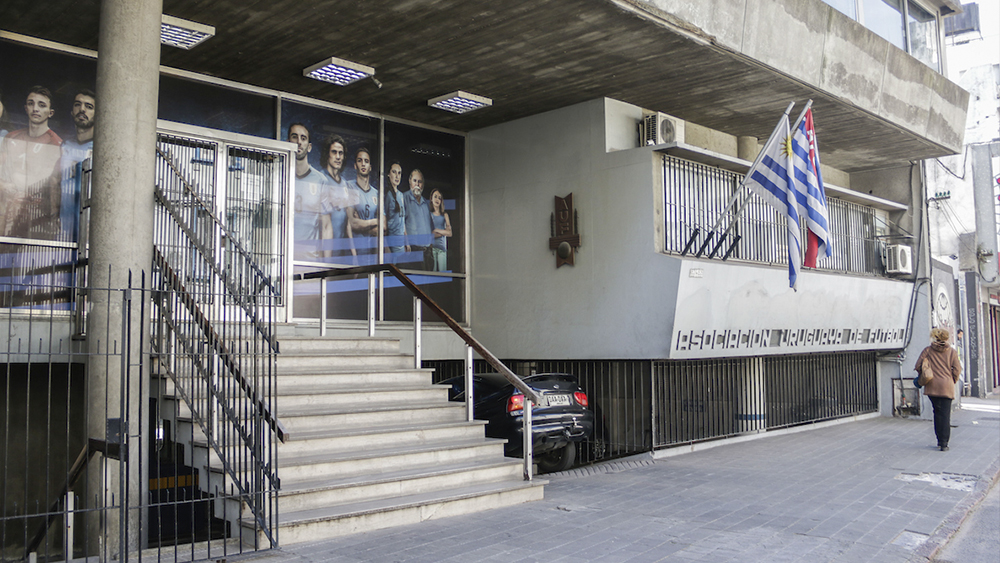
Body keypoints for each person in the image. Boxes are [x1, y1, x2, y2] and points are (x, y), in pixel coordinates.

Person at [0, 86, 63, 238]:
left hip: (36, 214)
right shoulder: (11, 138)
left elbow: (50, 184)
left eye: (41, 105)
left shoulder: (56, 143)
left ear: (50, 112)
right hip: (8, 210)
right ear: (25, 108)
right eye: (31, 103)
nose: (35, 109)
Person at [288, 123, 334, 261]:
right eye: (294, 137)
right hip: (281, 260)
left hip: (309, 262)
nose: (298, 142)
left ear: (309, 147)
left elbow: (326, 226)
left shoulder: (320, 180)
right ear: (287, 142)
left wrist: (327, 265)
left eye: (303, 138)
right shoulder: (278, 175)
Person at [914, 328, 961, 451]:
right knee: (945, 415)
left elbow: (917, 365)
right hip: (947, 386)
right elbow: (957, 369)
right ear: (946, 338)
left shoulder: (928, 350)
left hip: (932, 385)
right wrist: (952, 380)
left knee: (937, 412)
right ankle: (944, 443)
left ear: (935, 338)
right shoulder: (952, 352)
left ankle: (939, 440)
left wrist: (924, 373)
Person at [59, 89, 96, 240]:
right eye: (78, 105)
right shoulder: (65, 146)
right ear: (72, 112)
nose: (82, 109)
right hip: (63, 225)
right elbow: (55, 182)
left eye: (89, 106)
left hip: (90, 226)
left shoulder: (103, 149)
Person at [319, 134, 355, 259]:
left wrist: (354, 255)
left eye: (341, 153)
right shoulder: (320, 179)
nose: (338, 157)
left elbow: (348, 224)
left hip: (341, 253)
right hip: (322, 253)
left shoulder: (345, 185)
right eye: (334, 152)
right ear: (327, 154)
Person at [347, 146, 382, 258]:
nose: (363, 164)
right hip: (355, 253)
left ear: (370, 167)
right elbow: (352, 223)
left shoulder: (376, 193)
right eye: (359, 160)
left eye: (366, 161)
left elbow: (384, 226)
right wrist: (375, 221)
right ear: (355, 165)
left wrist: (361, 223)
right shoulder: (349, 187)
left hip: (373, 253)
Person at [403, 169, 433, 268]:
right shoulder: (404, 198)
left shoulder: (426, 203)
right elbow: (400, 224)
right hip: (413, 250)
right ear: (409, 181)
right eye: (415, 181)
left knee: (428, 282)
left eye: (420, 182)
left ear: (423, 184)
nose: (417, 184)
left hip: (428, 252)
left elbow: (431, 225)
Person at [384, 160, 407, 258]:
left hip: (401, 244)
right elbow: (383, 223)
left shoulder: (401, 195)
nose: (397, 176)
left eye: (399, 173)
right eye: (394, 172)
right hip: (392, 243)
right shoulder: (387, 194)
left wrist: (407, 241)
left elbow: (403, 221)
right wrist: (386, 247)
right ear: (388, 174)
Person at [428, 187, 452, 272]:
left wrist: (437, 230)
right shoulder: (429, 215)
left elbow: (449, 233)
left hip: (442, 249)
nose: (437, 199)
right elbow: (429, 235)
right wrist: (443, 232)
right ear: (431, 198)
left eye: (439, 197)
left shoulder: (444, 215)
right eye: (435, 196)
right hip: (432, 249)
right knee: (433, 273)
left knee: (443, 274)